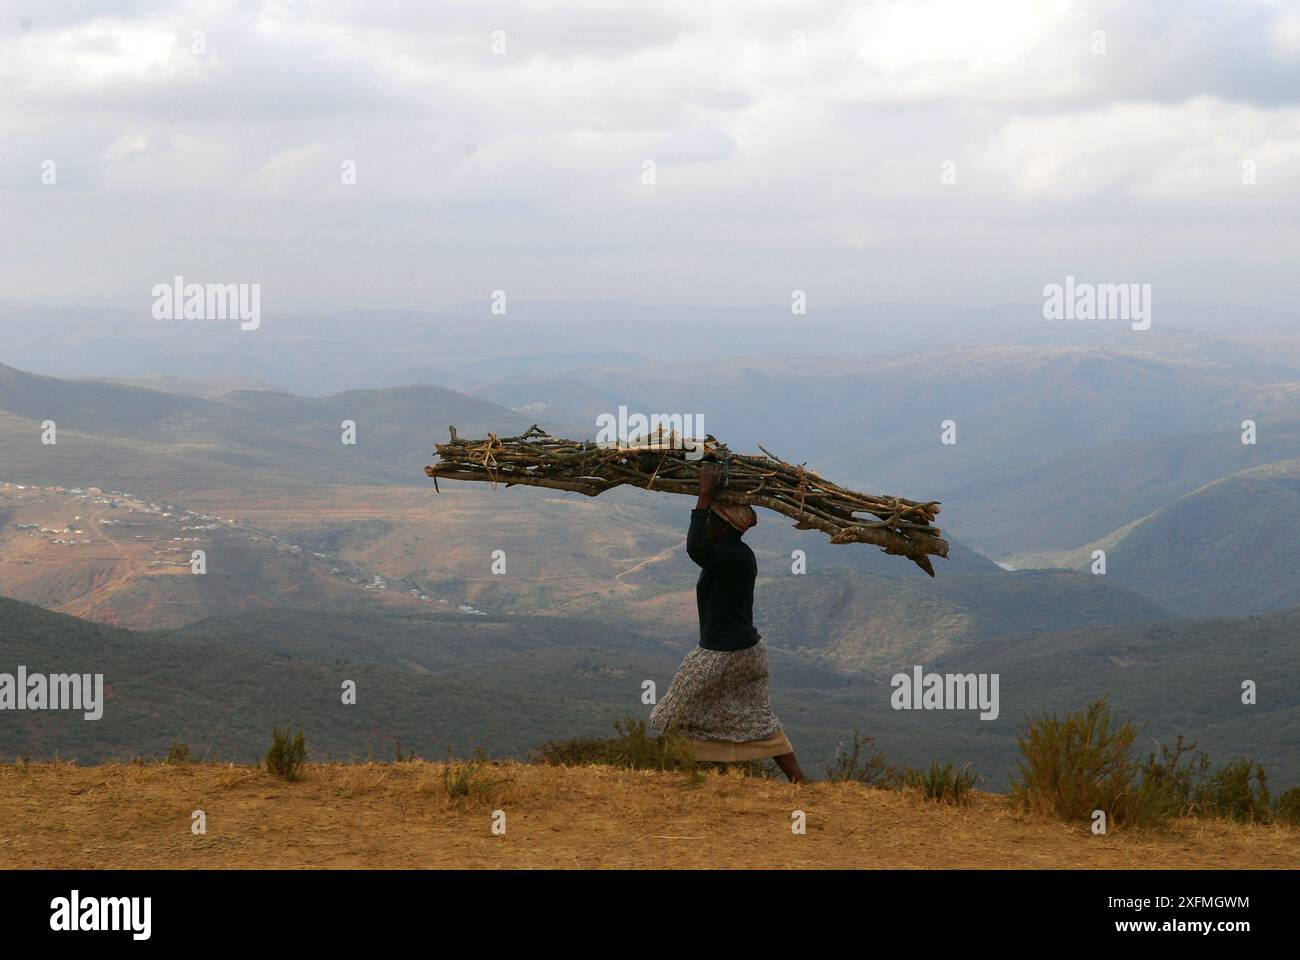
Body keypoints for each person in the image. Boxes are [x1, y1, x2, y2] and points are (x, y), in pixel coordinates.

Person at [649, 461, 808, 783]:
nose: (706, 523)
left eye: (710, 519)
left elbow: (695, 547)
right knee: (758, 718)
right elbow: (702, 548)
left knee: (671, 712)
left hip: (722, 654)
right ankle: (798, 782)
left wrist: (704, 496)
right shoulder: (736, 553)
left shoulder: (731, 556)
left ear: (723, 526)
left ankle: (669, 775)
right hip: (747, 653)